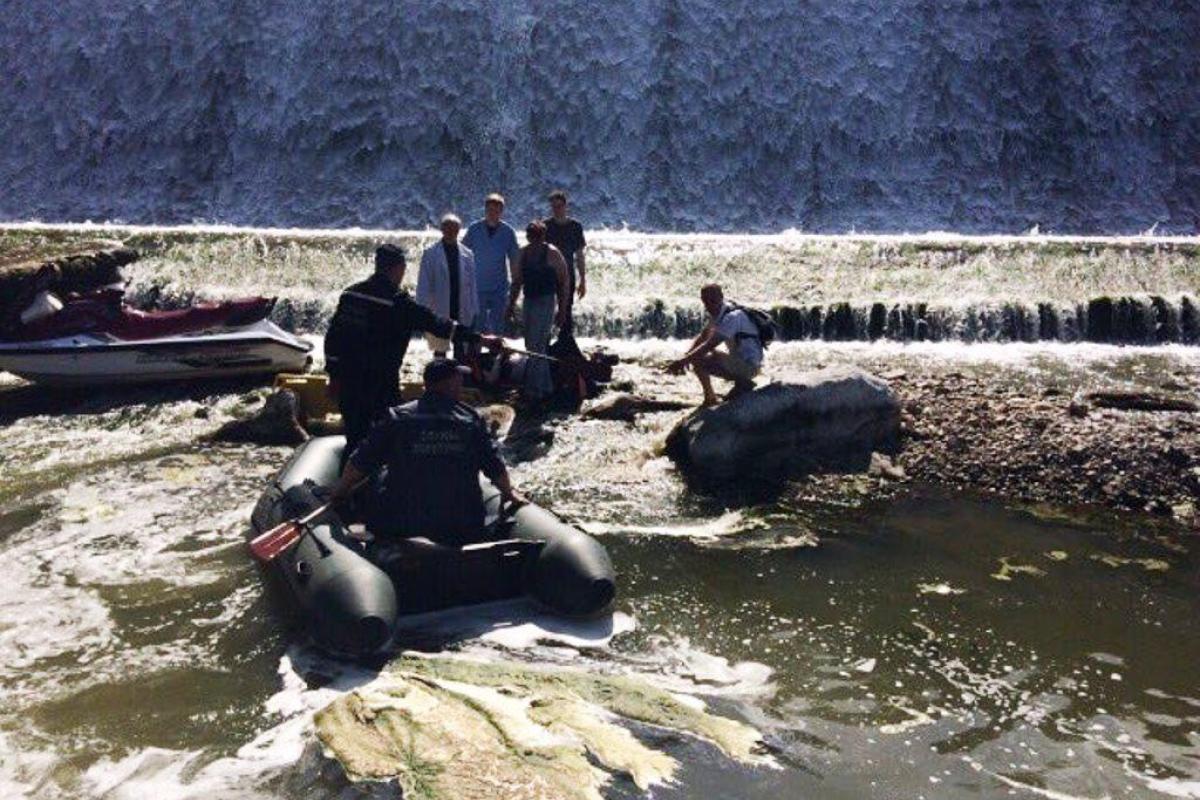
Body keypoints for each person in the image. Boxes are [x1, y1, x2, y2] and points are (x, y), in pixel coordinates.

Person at [330, 357, 526, 547]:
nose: (461, 384)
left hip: (404, 524)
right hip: (461, 524)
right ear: (448, 383)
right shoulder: (471, 420)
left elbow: (360, 463)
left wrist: (340, 493)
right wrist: (509, 493)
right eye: (459, 379)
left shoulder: (397, 417)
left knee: (378, 480)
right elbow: (494, 465)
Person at [324, 244, 496, 452]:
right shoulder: (398, 304)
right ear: (398, 269)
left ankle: (347, 480)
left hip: (349, 382)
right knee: (386, 442)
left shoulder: (351, 295)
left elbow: (333, 339)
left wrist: (333, 375)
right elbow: (438, 324)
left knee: (354, 440)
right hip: (380, 385)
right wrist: (480, 339)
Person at [665, 284, 763, 406]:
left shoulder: (732, 317)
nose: (709, 305)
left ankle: (719, 393)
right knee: (697, 356)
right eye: (706, 301)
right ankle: (719, 392)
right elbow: (703, 336)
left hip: (749, 367)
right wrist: (685, 356)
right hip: (741, 362)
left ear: (721, 297)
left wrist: (683, 362)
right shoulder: (721, 313)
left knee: (701, 357)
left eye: (712, 300)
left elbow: (709, 345)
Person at [506, 220, 570, 403]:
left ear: (543, 236)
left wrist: (562, 310)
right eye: (532, 236)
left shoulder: (552, 253)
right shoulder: (523, 253)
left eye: (538, 236)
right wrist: (510, 305)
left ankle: (536, 390)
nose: (535, 240)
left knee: (538, 345)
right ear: (528, 236)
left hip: (546, 302)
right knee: (531, 344)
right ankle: (544, 386)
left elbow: (564, 282)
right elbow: (517, 282)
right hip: (529, 302)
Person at [417, 213, 478, 358]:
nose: (451, 232)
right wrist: (421, 309)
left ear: (459, 230)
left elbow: (472, 284)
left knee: (460, 349)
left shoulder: (468, 254)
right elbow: (424, 283)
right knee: (440, 349)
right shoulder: (430, 254)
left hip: (461, 305)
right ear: (442, 230)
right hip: (440, 306)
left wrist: (474, 308)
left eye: (455, 229)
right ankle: (439, 378)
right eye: (448, 229)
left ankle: (459, 379)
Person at [463, 193, 520, 334]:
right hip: (477, 284)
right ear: (485, 210)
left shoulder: (508, 232)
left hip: (499, 286)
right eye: (489, 210)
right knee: (477, 324)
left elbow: (514, 259)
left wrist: (515, 283)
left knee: (498, 324)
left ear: (501, 212)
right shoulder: (474, 229)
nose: (492, 214)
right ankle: (475, 354)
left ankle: (496, 353)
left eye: (496, 211)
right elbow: (462, 255)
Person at [543, 190, 587, 335]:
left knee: (566, 309)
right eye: (554, 207)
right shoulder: (545, 226)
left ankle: (565, 342)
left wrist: (583, 280)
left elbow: (579, 255)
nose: (557, 210)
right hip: (548, 275)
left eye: (560, 206)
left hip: (568, 275)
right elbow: (539, 252)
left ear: (566, 206)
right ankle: (545, 343)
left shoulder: (575, 226)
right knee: (547, 309)